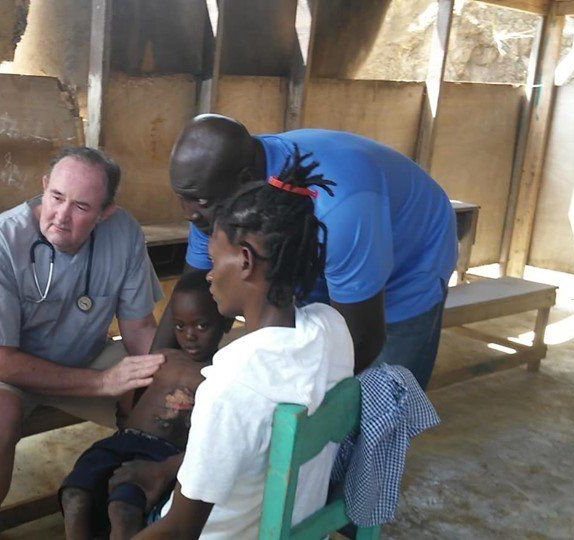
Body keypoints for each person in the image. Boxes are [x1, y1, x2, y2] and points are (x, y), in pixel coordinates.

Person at [0, 146, 166, 540]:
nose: (61, 215)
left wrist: (174, 377)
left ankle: (127, 506)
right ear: (44, 186)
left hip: (84, 354)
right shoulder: (3, 238)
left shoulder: (124, 232)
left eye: (81, 206)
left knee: (161, 398)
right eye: (56, 197)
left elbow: (139, 330)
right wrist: (102, 383)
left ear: (105, 212)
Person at [135, 149, 354, 539]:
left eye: (214, 260)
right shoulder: (332, 329)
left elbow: (180, 530)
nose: (208, 276)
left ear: (246, 261)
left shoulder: (231, 385)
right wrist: (171, 469)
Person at [156, 114, 457, 391]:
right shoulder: (213, 193)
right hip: (342, 251)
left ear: (244, 181)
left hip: (410, 261)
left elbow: (362, 340)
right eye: (182, 198)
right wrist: (148, 383)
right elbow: (190, 296)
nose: (188, 213)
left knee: (380, 395)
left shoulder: (339, 209)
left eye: (199, 202)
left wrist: (287, 407)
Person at [60, 271, 229, 539]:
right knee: (74, 496)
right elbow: (132, 395)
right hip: (122, 440)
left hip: (161, 454)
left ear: (225, 323)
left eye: (201, 325)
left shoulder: (219, 373)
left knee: (123, 510)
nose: (189, 335)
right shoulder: (161, 356)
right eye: (180, 326)